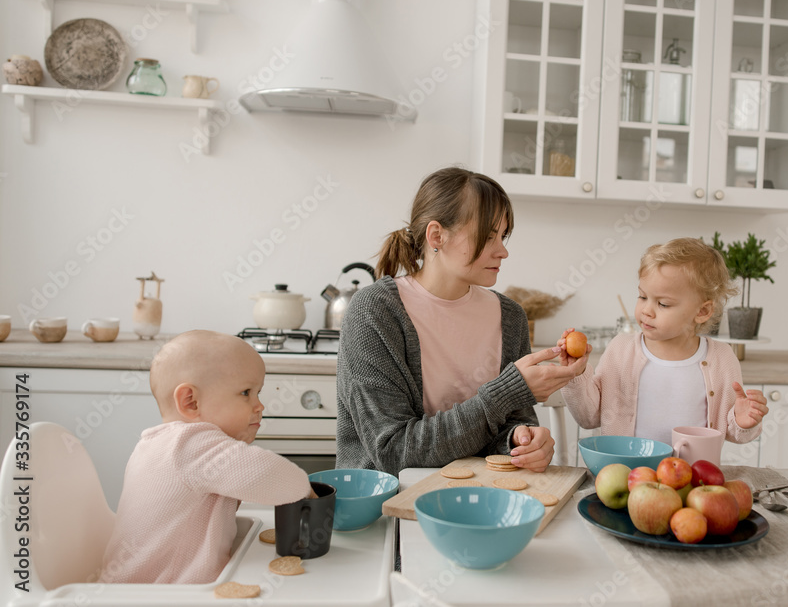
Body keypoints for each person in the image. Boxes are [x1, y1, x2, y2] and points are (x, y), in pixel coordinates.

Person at [336, 167, 587, 476]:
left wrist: (521, 440)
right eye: (488, 236)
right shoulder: (375, 312)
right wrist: (506, 392)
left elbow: (509, 424)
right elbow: (394, 452)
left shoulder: (510, 317)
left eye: (503, 236)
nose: (503, 251)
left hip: (478, 497)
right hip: (390, 508)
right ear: (437, 236)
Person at [100, 330, 315, 584]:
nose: (259, 406)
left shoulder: (155, 444)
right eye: (246, 392)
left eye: (258, 393)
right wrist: (306, 488)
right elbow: (267, 474)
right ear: (191, 402)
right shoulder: (187, 444)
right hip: (157, 596)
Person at [560, 238, 769, 446]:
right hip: (626, 474)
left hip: (693, 477)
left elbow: (734, 433)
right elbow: (588, 418)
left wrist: (744, 422)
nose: (646, 310)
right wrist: (575, 374)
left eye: (663, 304)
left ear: (702, 311)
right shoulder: (620, 349)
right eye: (642, 297)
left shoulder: (722, 358)